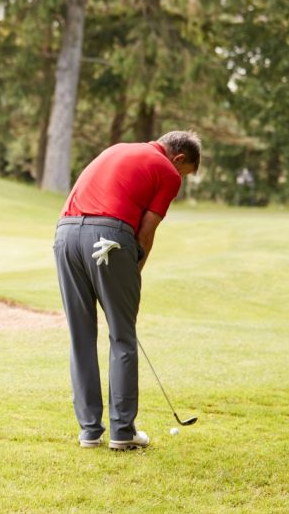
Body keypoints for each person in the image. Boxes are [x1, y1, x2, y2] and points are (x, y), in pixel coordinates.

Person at [53, 130, 201, 450]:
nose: (179, 179)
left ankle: (89, 432)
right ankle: (122, 432)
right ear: (178, 158)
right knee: (122, 337)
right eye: (183, 172)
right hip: (108, 238)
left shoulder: (117, 149)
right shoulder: (167, 171)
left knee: (81, 337)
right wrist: (133, 274)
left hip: (65, 235)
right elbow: (146, 231)